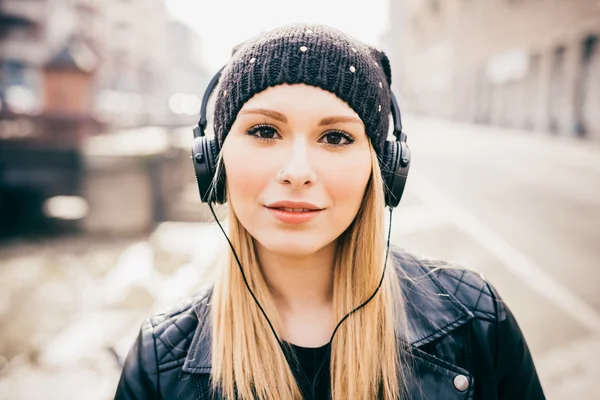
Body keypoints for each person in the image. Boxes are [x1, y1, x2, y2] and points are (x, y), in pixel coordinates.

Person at [114, 23, 545, 400]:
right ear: (213, 160)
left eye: (336, 137)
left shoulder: (477, 324)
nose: (297, 172)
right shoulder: (158, 364)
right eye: (265, 131)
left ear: (384, 168)